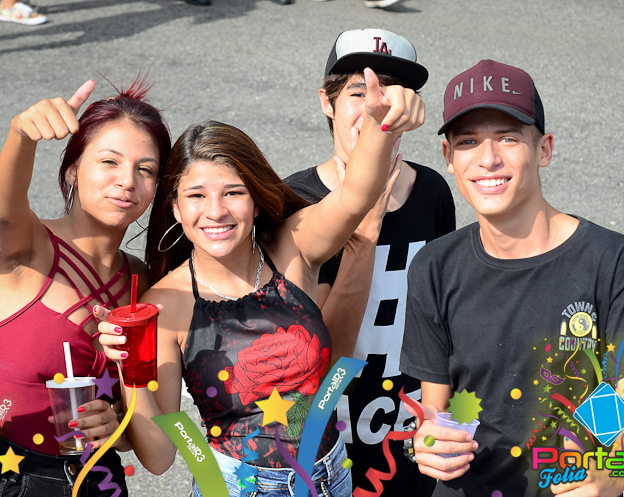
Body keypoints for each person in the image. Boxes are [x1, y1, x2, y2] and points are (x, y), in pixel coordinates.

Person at [95, 68, 424, 497]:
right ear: (175, 208)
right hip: (231, 487)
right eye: (196, 196)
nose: (215, 211)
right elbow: (159, 458)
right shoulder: (167, 303)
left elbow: (355, 196)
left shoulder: (292, 247)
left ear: (254, 199)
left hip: (330, 480)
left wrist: (381, 123)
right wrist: (130, 369)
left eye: (233, 192)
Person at [399, 59, 624, 496]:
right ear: (448, 157)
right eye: (468, 142)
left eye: (508, 138)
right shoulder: (435, 266)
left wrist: (607, 474)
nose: (488, 159)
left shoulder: (609, 261)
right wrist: (427, 442)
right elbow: (437, 412)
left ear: (544, 149)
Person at [285, 28, 453, 496]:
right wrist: (365, 226)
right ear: (327, 101)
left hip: (408, 428)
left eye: (392, 92)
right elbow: (316, 354)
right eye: (359, 92)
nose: (377, 105)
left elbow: (441, 317)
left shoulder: (432, 191)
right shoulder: (295, 201)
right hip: (326, 433)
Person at [0, 78, 171, 495]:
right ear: (73, 168)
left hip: (98, 481)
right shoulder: (28, 245)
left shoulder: (142, 283)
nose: (127, 181)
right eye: (109, 161)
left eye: (145, 169)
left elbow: (141, 422)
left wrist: (115, 423)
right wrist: (21, 135)